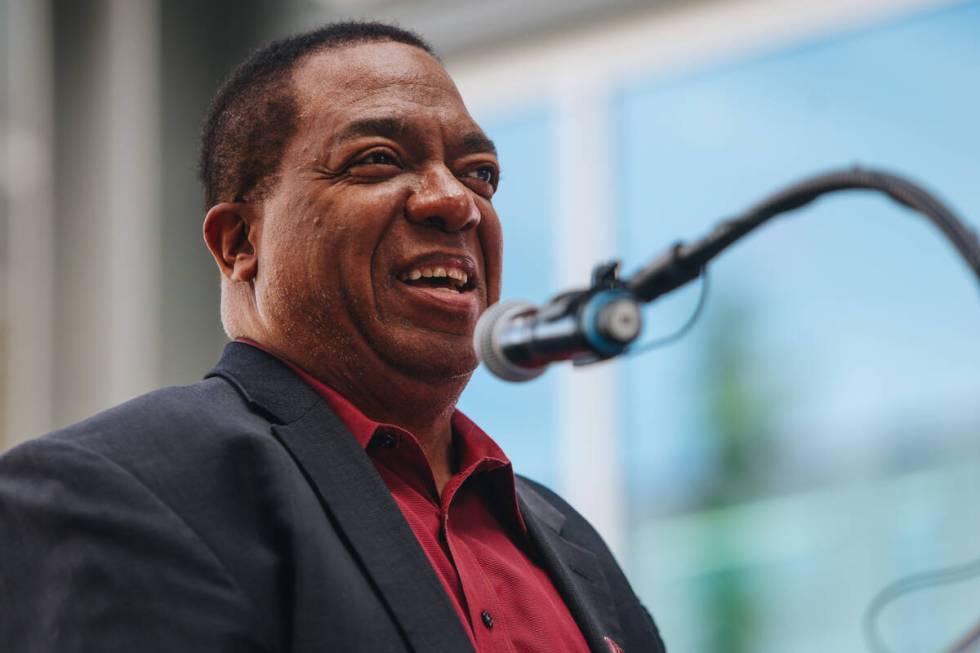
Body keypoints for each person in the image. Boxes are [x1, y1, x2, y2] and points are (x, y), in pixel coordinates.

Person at [0, 22, 666, 653]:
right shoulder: (117, 485)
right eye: (378, 159)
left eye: (480, 173)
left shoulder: (571, 543)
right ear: (238, 243)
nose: (456, 201)